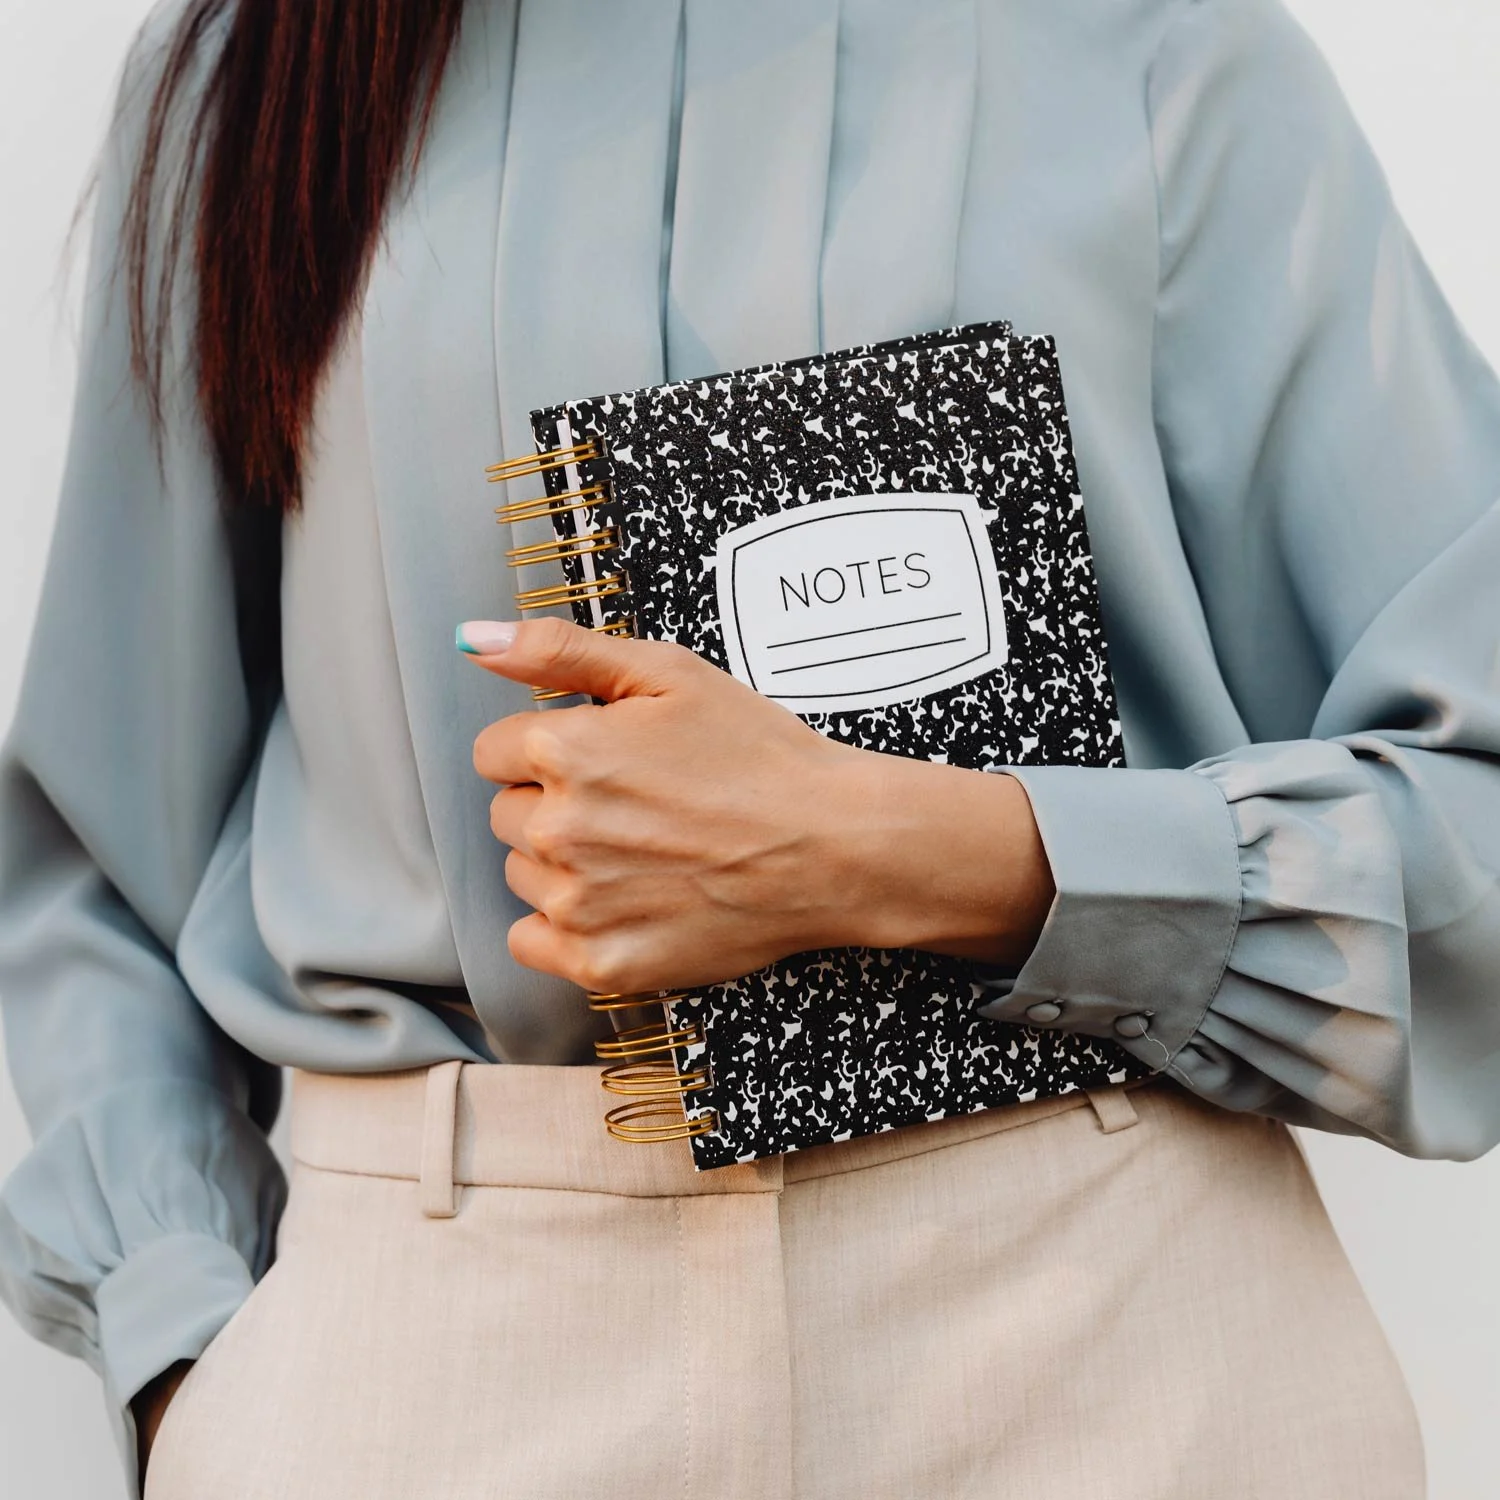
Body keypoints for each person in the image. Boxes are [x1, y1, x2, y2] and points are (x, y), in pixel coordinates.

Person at [2, 1, 1497, 1496]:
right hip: (443, 1344)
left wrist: (939, 854)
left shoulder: (1155, 51)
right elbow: (103, 858)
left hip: (1113, 1328)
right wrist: (183, 1352)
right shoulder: (252, 74)